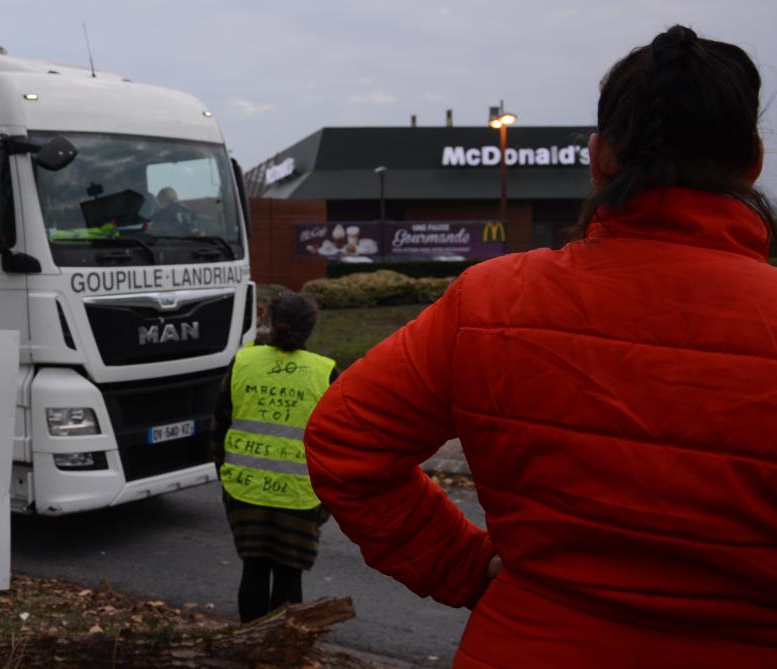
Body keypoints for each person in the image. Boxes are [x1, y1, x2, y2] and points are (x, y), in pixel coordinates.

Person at [303, 25, 777, 668]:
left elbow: (344, 442)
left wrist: (466, 570)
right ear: (751, 160)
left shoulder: (492, 302)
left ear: (598, 157)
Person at [211, 292, 337, 622]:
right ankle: (282, 650)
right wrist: (325, 503)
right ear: (310, 328)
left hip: (245, 491)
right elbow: (338, 445)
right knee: (288, 575)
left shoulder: (243, 363)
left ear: (270, 321)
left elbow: (219, 428)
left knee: (253, 569)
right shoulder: (325, 373)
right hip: (300, 498)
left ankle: (249, 647)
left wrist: (225, 479)